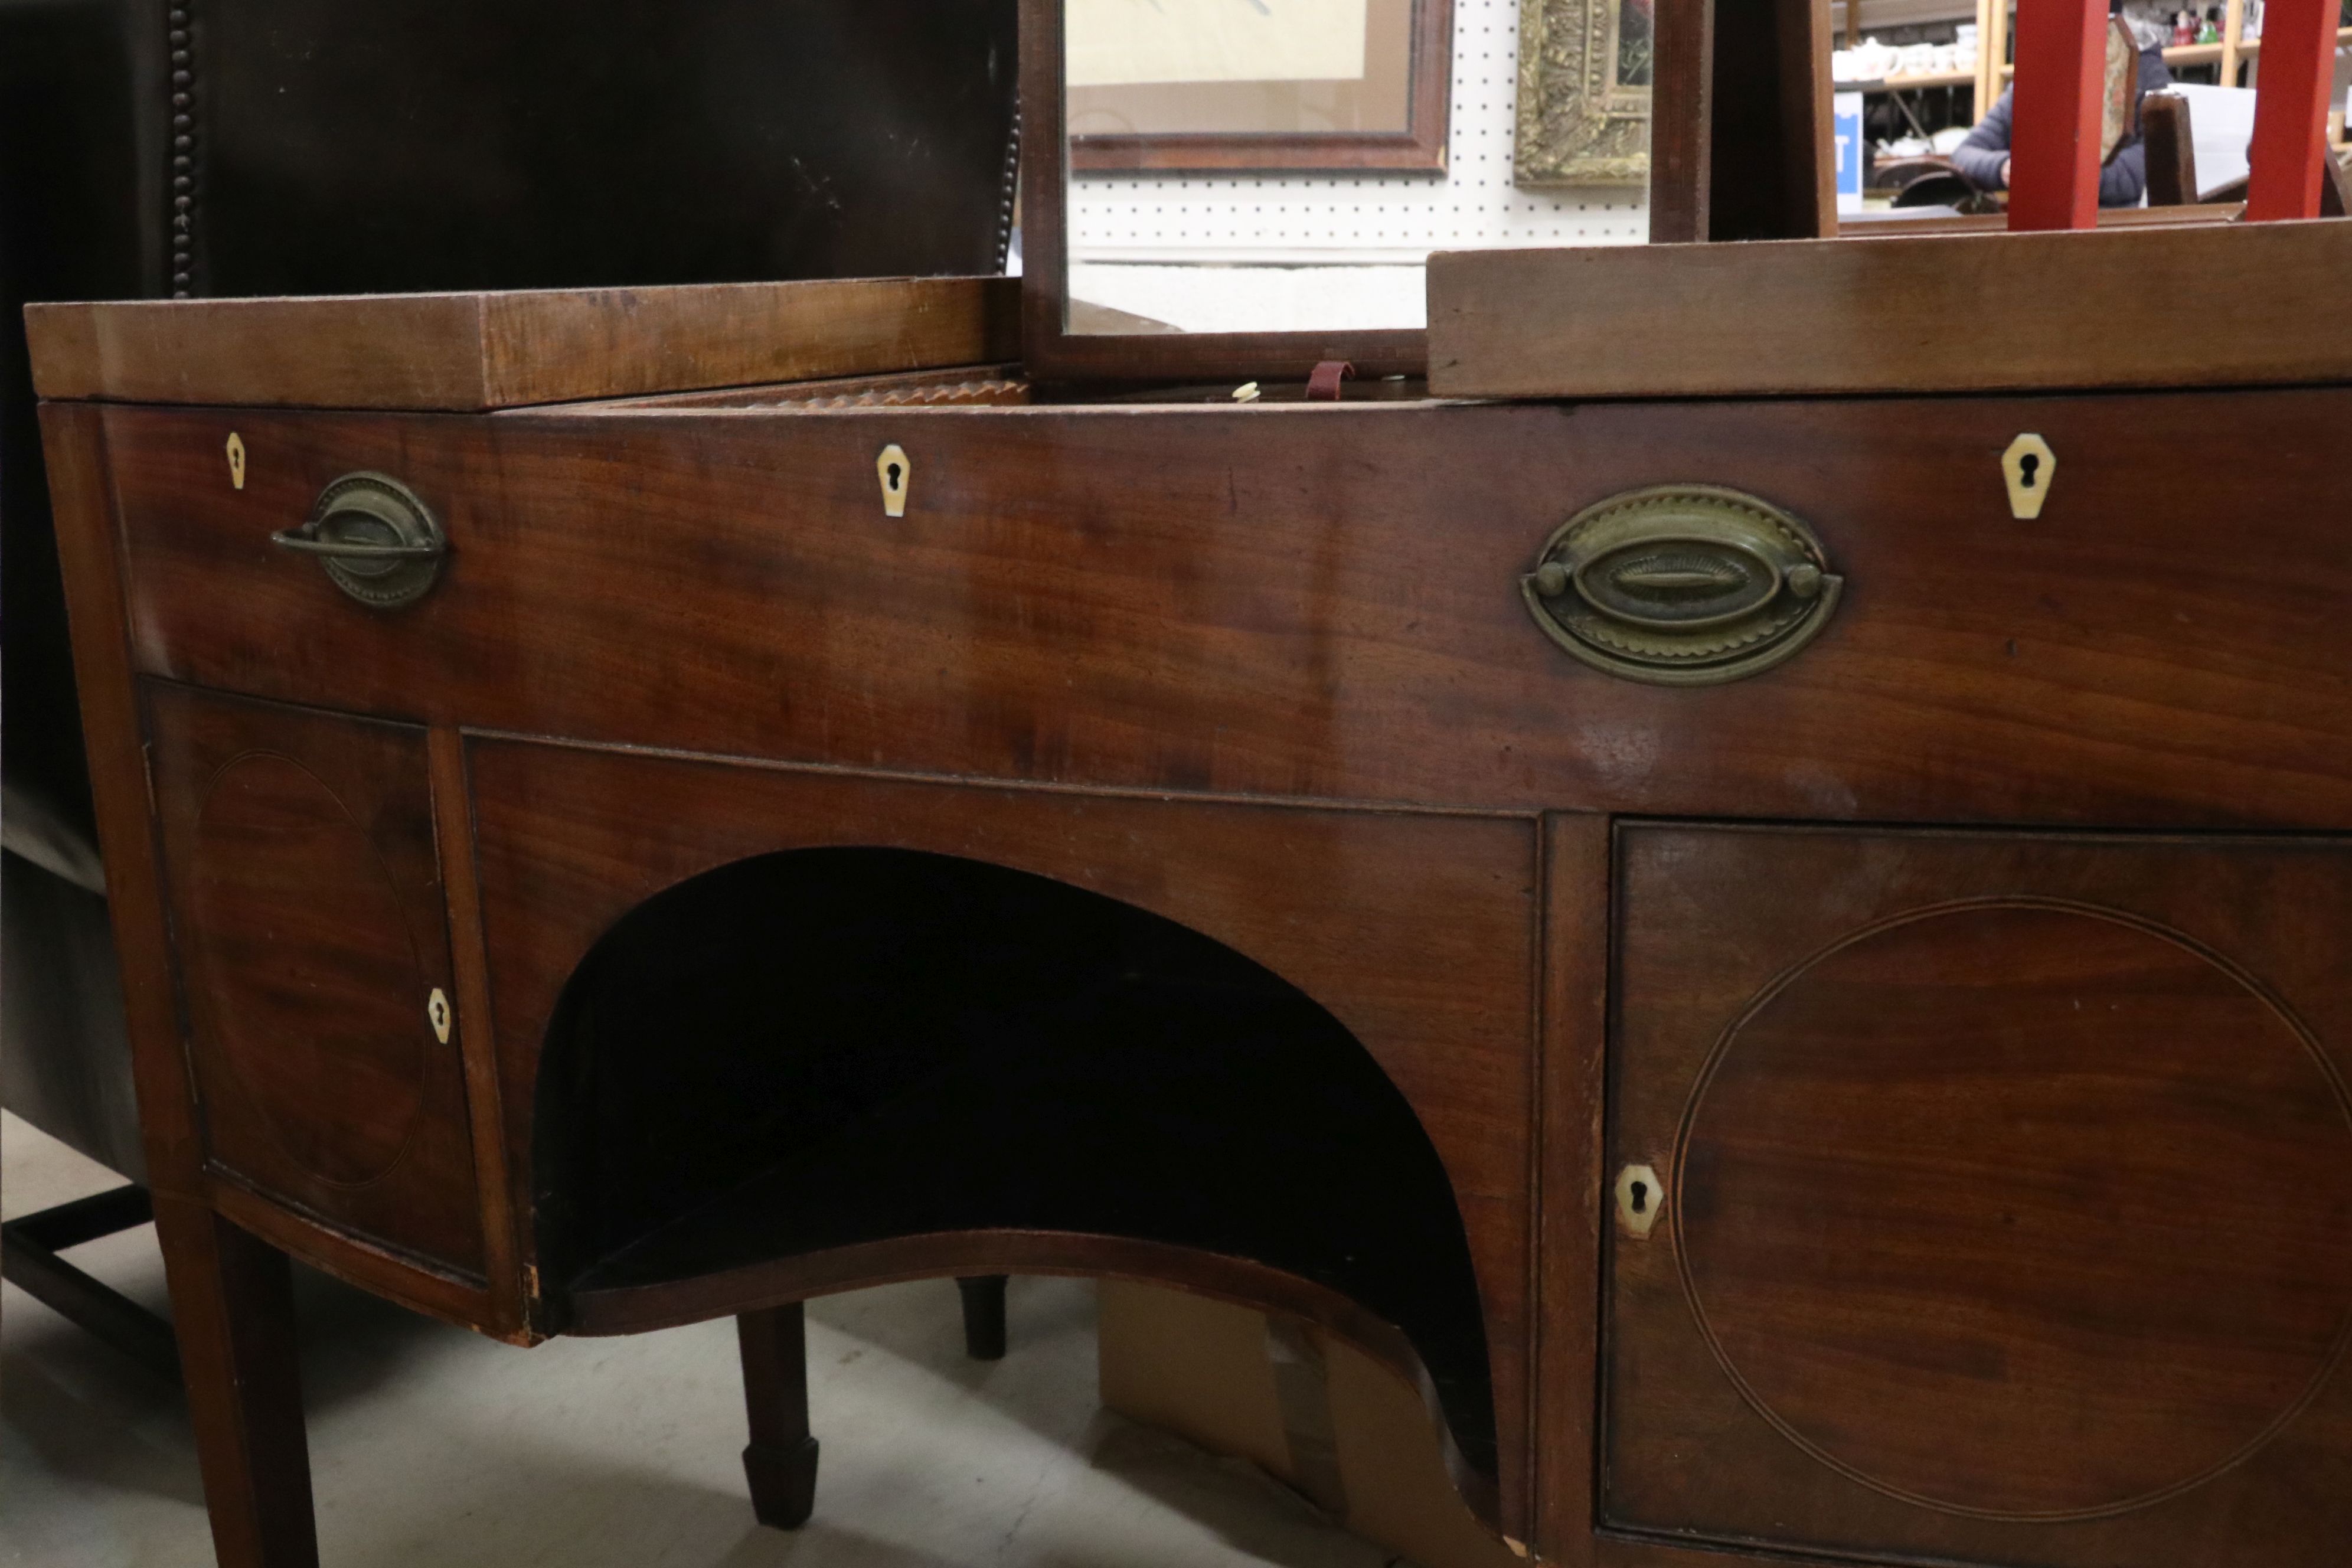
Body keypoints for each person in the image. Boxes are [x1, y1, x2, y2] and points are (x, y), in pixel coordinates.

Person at [1951, 42, 2174, 206]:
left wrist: (2078, 176)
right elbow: (1965, 153)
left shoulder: (2143, 68)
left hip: (2123, 229)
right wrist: (2005, 168)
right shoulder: (2034, 78)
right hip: (2042, 229)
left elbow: (2162, 153)